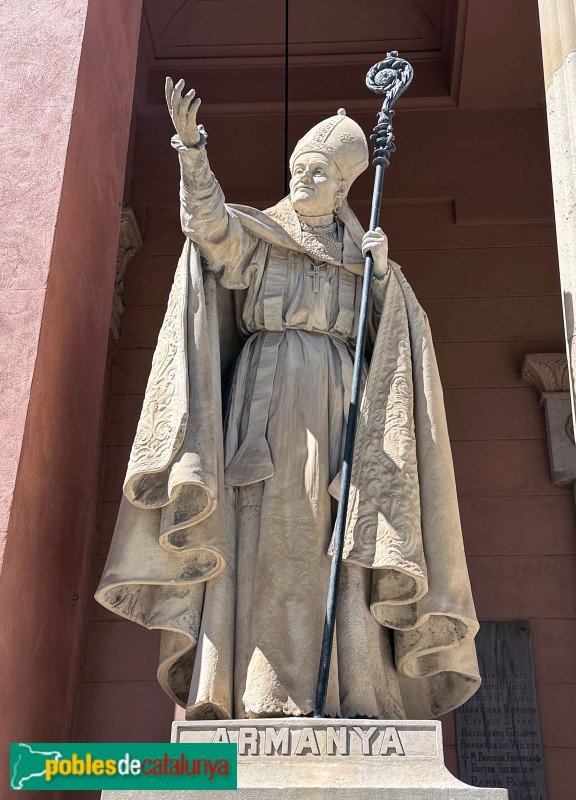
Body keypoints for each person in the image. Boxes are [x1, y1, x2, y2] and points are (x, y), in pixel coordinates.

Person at [96, 79, 481, 721]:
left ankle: (354, 689)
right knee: (262, 532)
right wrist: (192, 150)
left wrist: (381, 275)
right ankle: (252, 691)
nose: (302, 179)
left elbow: (396, 339)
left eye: (319, 172)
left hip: (336, 403)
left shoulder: (359, 262)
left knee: (337, 532)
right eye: (299, 168)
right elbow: (211, 228)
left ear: (343, 187)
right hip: (264, 402)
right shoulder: (261, 237)